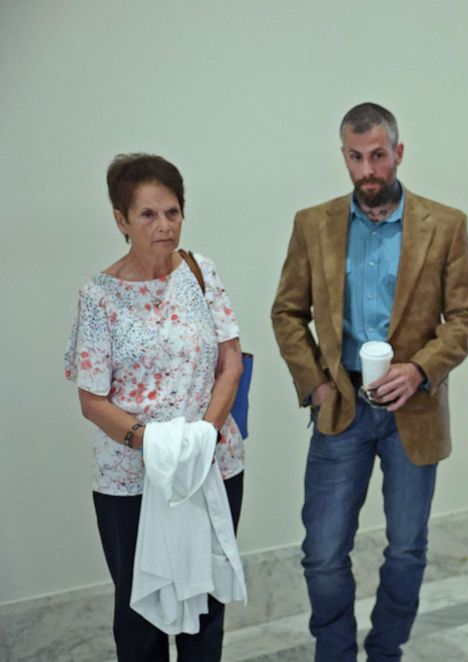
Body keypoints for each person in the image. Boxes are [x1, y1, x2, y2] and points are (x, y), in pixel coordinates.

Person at [271, 102, 468, 662]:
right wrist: (316, 386)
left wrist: (420, 369)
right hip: (339, 409)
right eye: (356, 157)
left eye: (379, 156)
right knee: (321, 552)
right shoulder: (312, 225)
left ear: (399, 152)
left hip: (412, 411)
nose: (368, 170)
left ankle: (386, 651)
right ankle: (334, 654)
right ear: (344, 156)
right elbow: (287, 313)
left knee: (408, 549)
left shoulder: (446, 224)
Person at [65, 153, 245, 661]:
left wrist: (202, 438)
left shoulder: (200, 271)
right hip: (132, 480)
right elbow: (92, 401)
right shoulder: (99, 298)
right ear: (121, 220)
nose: (164, 225)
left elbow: (230, 362)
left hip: (213, 465)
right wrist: (159, 445)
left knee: (206, 609)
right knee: (140, 617)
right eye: (147, 214)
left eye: (172, 211)